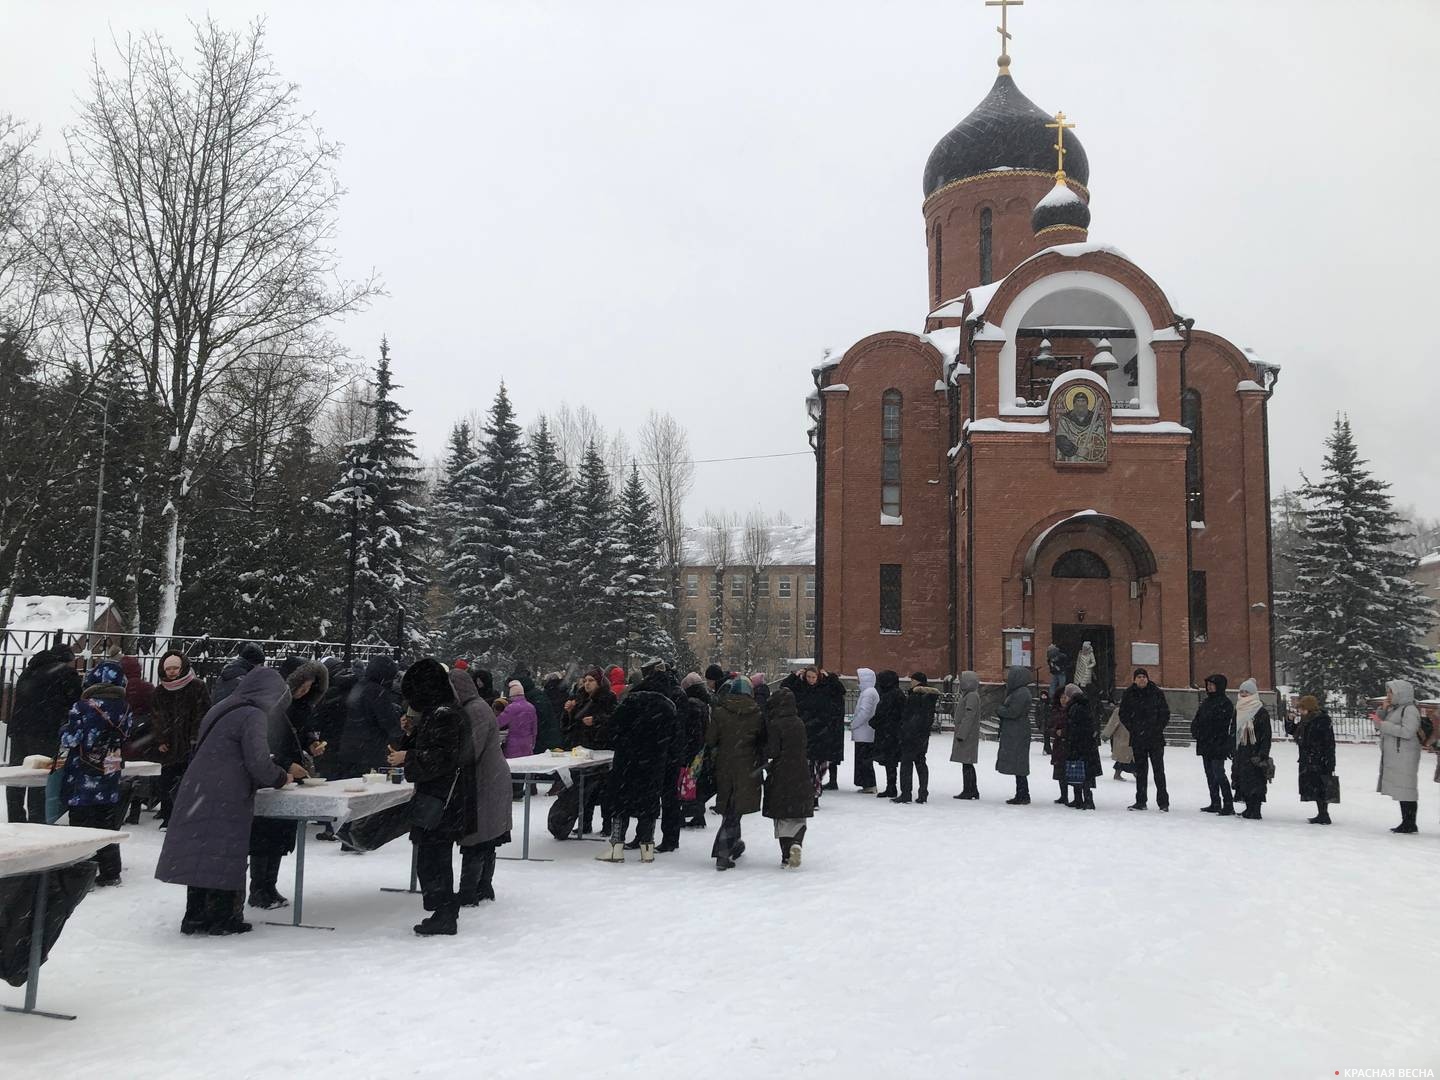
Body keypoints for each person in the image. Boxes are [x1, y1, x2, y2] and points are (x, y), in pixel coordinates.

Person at [155, 666, 293, 936]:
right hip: (227, 792)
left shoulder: (221, 707)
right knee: (224, 853)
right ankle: (224, 918)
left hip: (197, 786)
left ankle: (195, 916)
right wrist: (280, 776)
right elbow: (257, 762)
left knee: (201, 853)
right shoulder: (253, 715)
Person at [388, 658, 471, 936]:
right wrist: (411, 733)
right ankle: (443, 909)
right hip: (442, 795)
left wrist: (408, 756)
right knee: (433, 854)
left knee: (434, 855)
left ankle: (444, 912)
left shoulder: (444, 714)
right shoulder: (441, 711)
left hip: (442, 797)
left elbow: (443, 757)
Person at [246, 659, 327, 909]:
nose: (304, 691)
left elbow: (304, 733)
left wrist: (312, 744)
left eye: (309, 686)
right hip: (271, 775)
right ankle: (259, 888)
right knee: (264, 834)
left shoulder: (302, 708)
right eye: (301, 685)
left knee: (280, 834)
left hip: (291, 777)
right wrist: (284, 763)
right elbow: (261, 747)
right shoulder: (269, 708)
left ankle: (269, 886)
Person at [56, 660, 133, 885]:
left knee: (81, 824)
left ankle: (81, 874)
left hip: (83, 772)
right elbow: (126, 735)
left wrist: (64, 729)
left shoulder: (81, 707)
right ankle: (111, 871)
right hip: (110, 767)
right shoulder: (125, 707)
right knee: (106, 822)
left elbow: (70, 739)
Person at [594, 663, 676, 863]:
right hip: (654, 765)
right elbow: (673, 739)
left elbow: (612, 729)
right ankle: (647, 849)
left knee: (621, 803)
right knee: (649, 804)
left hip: (627, 762)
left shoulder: (630, 702)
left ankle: (617, 847)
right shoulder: (668, 707)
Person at [450, 667, 511, 905]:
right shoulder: (477, 707)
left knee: (476, 837)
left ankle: (468, 892)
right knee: (487, 838)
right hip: (490, 779)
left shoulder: (473, 710)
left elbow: (470, 751)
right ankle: (484, 886)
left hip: (484, 781)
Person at [6, 644, 82, 823]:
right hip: (45, 731)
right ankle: (36, 819)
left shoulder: (30, 669)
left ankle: (15, 816)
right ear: (66, 659)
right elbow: (75, 703)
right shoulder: (66, 674)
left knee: (18, 773)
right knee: (40, 775)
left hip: (19, 728)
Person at [706, 676, 764, 871]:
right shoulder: (756, 713)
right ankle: (723, 851)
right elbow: (762, 741)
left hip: (725, 765)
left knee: (730, 806)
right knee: (735, 809)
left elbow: (710, 739)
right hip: (748, 766)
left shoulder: (720, 712)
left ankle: (733, 844)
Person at [151, 650, 212, 827]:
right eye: (168, 668)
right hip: (169, 745)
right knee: (167, 781)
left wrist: (195, 737)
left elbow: (203, 713)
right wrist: (161, 739)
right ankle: (169, 816)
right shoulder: (160, 691)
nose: (171, 672)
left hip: (190, 743)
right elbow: (156, 716)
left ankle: (187, 816)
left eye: (175, 668)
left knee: (189, 781)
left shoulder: (197, 686)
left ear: (182, 667)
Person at [761, 687, 812, 868]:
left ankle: (785, 854)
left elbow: (773, 751)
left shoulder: (775, 723)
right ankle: (797, 842)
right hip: (800, 771)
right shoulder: (799, 722)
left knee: (782, 815)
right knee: (798, 815)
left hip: (781, 772)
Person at [782, 667, 846, 803]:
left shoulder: (824, 688)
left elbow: (840, 690)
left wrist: (830, 677)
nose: (811, 680)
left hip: (821, 732)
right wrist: (794, 676)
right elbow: (784, 688)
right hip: (805, 731)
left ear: (818, 677)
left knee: (820, 765)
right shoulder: (800, 688)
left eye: (813, 677)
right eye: (809, 677)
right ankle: (812, 796)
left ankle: (815, 791)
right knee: (808, 765)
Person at [337, 655, 403, 778]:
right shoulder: (378, 692)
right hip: (370, 751)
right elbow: (389, 723)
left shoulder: (359, 686)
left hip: (349, 748)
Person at [1373, 679, 1422, 833]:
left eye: (1390, 692)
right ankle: (1406, 822)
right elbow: (1379, 725)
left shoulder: (1409, 709)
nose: (1387, 695)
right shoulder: (1394, 708)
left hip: (1405, 755)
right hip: (1396, 755)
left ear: (1401, 693)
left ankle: (1409, 823)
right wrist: (1382, 710)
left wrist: (1384, 725)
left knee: (1406, 788)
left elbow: (1408, 731)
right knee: (1401, 789)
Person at [1120, 668, 1170, 811]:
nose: (1142, 679)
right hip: (1138, 739)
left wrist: (1157, 727)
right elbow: (1123, 714)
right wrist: (1133, 728)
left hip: (1155, 738)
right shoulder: (1129, 694)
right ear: (1134, 679)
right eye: (1139, 677)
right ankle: (1141, 801)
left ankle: (1163, 802)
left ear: (1147, 678)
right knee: (1141, 772)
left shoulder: (1156, 693)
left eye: (1144, 677)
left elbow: (1165, 713)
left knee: (1158, 771)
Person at [1285, 694, 1336, 825]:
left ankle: (1324, 814)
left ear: (1308, 708)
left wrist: (1329, 761)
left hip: (1318, 759)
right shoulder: (1306, 720)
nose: (1300, 711)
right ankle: (1322, 814)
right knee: (1314, 786)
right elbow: (1294, 731)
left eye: (1301, 708)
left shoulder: (1321, 720)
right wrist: (1290, 720)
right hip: (1308, 758)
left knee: (1321, 786)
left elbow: (1329, 743)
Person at [1191, 674, 1236, 816]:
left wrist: (1209, 731)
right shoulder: (1206, 702)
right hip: (1206, 743)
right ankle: (1215, 802)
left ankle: (1228, 803)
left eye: (1212, 684)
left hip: (1218, 743)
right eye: (1208, 685)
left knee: (1219, 773)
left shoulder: (1225, 703)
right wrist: (1196, 731)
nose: (1209, 687)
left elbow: (1222, 724)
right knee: (1209, 774)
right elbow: (1198, 719)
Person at [676, 672, 712, 834]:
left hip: (692, 750)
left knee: (687, 782)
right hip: (702, 749)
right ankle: (698, 815)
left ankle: (688, 813)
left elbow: (691, 731)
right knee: (698, 782)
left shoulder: (691, 705)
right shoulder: (705, 703)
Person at [1230, 678, 1272, 819]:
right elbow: (1234, 730)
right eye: (1241, 692)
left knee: (1256, 781)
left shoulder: (1260, 711)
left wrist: (1263, 753)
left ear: (1253, 693)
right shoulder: (1238, 709)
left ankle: (1256, 809)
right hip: (1241, 750)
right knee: (1242, 780)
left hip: (1254, 751)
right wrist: (1232, 747)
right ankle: (1248, 807)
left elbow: (1266, 735)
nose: (1243, 694)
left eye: (1246, 692)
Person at [895, 672, 939, 804]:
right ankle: (923, 792)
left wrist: (905, 730)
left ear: (917, 681)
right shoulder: (930, 696)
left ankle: (906, 793)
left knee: (906, 764)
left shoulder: (915, 696)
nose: (910, 682)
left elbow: (909, 716)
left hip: (911, 735)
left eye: (912, 680)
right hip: (923, 735)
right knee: (921, 762)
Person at [995, 666, 1033, 805]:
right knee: (1018, 763)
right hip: (1015, 731)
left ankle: (1023, 794)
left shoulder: (1021, 693)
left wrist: (1000, 709)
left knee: (1019, 763)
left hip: (1018, 731)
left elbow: (1013, 712)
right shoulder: (1018, 692)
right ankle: (1021, 793)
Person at [1061, 683, 1098, 809]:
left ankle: (1084, 799)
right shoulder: (1084, 704)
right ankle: (1083, 799)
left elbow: (1075, 725)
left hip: (1078, 743)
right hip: (1085, 744)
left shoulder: (1075, 707)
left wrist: (1069, 734)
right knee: (1082, 771)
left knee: (1079, 771)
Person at [870, 670, 905, 799]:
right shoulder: (896, 693)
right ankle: (891, 786)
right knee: (890, 762)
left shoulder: (891, 695)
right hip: (891, 732)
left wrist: (874, 722)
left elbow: (883, 713)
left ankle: (891, 787)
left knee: (890, 761)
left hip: (889, 733)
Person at [949, 671, 981, 800]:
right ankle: (971, 789)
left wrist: (962, 733)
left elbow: (969, 716)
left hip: (967, 735)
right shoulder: (969, 695)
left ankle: (969, 789)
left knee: (967, 763)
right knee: (966, 763)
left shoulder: (972, 696)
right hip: (966, 733)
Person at [851, 667, 879, 794]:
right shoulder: (868, 692)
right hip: (864, 732)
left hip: (865, 732)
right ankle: (866, 783)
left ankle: (869, 784)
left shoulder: (868, 693)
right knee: (863, 759)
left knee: (864, 760)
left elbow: (865, 712)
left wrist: (854, 724)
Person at [498, 680, 538, 760]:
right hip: (528, 743)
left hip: (514, 744)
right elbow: (534, 728)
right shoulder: (531, 707)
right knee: (526, 766)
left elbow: (498, 723)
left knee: (514, 767)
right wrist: (533, 742)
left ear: (511, 694)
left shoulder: (511, 708)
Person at [1101, 693, 1134, 783]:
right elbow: (1112, 723)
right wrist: (1106, 735)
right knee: (1125, 758)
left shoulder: (1137, 710)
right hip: (1122, 737)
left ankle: (1121, 773)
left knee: (1127, 758)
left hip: (1131, 737)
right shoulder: (1119, 711)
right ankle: (1136, 773)